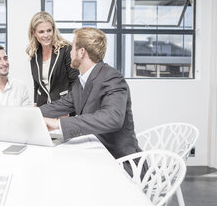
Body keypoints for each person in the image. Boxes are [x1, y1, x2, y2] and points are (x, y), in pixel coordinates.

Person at [40, 27, 142, 164]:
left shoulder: (112, 77)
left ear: (81, 52)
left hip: (120, 162)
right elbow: (59, 105)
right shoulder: (79, 83)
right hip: (95, 154)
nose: (70, 52)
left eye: (72, 48)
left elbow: (112, 118)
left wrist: (58, 124)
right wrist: (28, 114)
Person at [26, 11, 79, 107]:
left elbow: (75, 82)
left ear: (53, 30)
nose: (46, 35)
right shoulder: (34, 55)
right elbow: (37, 85)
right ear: (34, 33)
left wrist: (67, 106)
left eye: (49, 30)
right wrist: (35, 104)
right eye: (41, 32)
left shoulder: (66, 50)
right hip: (43, 107)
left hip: (64, 106)